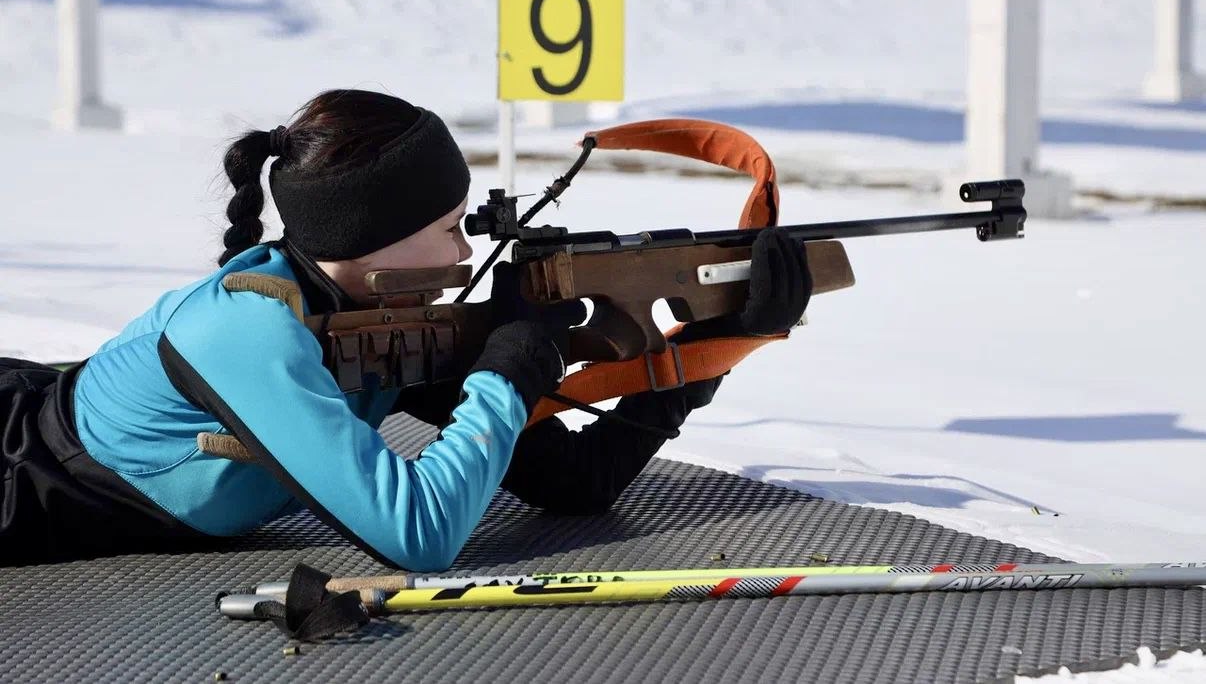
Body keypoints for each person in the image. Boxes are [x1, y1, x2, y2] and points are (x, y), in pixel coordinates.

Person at [0, 89, 811, 569]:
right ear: (371, 234)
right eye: (452, 225)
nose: (467, 248)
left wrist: (711, 350)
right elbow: (417, 535)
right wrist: (502, 377)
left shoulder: (376, 319)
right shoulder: (248, 333)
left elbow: (578, 484)